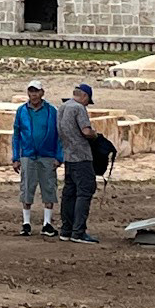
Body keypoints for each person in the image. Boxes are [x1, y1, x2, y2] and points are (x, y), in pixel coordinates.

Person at [10, 81, 61, 237]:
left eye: (36, 91)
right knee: (26, 187)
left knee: (49, 188)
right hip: (28, 155)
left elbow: (59, 135)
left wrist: (59, 156)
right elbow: (16, 135)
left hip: (47, 155)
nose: (34, 95)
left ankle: (47, 223)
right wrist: (16, 157)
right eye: (31, 91)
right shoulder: (22, 111)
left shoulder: (52, 111)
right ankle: (26, 223)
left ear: (42, 93)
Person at [58, 83, 102, 243]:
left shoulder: (63, 107)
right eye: (88, 101)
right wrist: (95, 135)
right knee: (85, 191)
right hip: (82, 156)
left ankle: (66, 229)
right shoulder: (79, 108)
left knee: (69, 193)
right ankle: (78, 231)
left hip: (68, 156)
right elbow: (86, 131)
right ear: (84, 96)